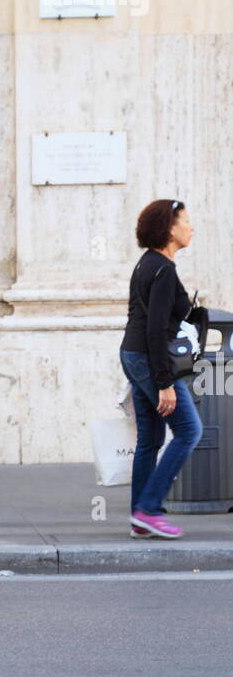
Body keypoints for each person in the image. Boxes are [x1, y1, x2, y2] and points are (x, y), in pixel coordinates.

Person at [120, 199, 202, 539]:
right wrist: (164, 382)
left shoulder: (147, 264)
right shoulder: (163, 270)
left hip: (134, 355)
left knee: (150, 440)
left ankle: (140, 514)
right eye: (185, 220)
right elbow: (155, 329)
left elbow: (140, 319)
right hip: (150, 360)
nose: (191, 226)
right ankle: (149, 509)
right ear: (170, 228)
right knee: (189, 430)